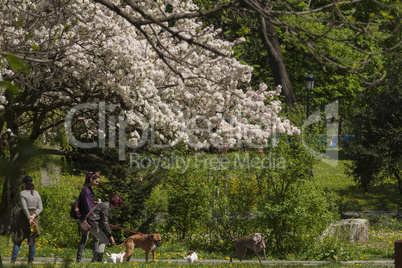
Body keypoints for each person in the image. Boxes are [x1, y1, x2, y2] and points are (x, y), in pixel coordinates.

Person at [11, 176, 43, 264]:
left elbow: (25, 208)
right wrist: (33, 216)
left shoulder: (23, 193)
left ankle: (12, 262)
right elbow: (40, 208)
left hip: (23, 218)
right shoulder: (36, 193)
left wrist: (29, 217)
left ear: (24, 183)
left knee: (18, 239)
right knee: (31, 240)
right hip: (34, 219)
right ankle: (30, 262)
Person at [86, 194, 123, 262]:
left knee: (103, 240)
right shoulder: (106, 207)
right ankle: (98, 259)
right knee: (105, 240)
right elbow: (105, 222)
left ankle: (96, 259)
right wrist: (110, 235)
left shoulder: (105, 204)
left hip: (91, 223)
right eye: (118, 204)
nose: (118, 206)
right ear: (115, 202)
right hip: (92, 224)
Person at [76, 172, 101, 263]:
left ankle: (93, 259)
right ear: (91, 179)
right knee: (86, 238)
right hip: (87, 218)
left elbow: (88, 203)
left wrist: (94, 203)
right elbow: (87, 206)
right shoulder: (86, 190)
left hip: (88, 217)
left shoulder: (89, 189)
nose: (97, 183)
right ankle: (80, 260)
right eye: (96, 181)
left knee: (93, 237)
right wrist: (96, 208)